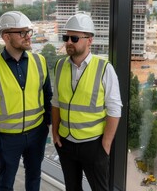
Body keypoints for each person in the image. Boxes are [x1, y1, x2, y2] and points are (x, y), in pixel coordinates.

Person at [0, 11, 52, 191]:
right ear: (6, 36)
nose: (28, 37)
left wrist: (46, 126)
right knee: (6, 181)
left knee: (34, 175)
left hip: (36, 134)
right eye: (22, 33)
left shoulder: (39, 61)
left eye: (28, 32)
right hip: (6, 138)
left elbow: (47, 96)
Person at [52, 13, 122, 191]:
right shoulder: (60, 66)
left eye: (74, 38)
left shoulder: (104, 68)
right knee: (72, 188)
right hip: (66, 143)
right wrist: (55, 133)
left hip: (93, 145)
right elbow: (56, 102)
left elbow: (114, 109)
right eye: (66, 37)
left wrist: (105, 145)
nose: (68, 42)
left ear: (89, 40)